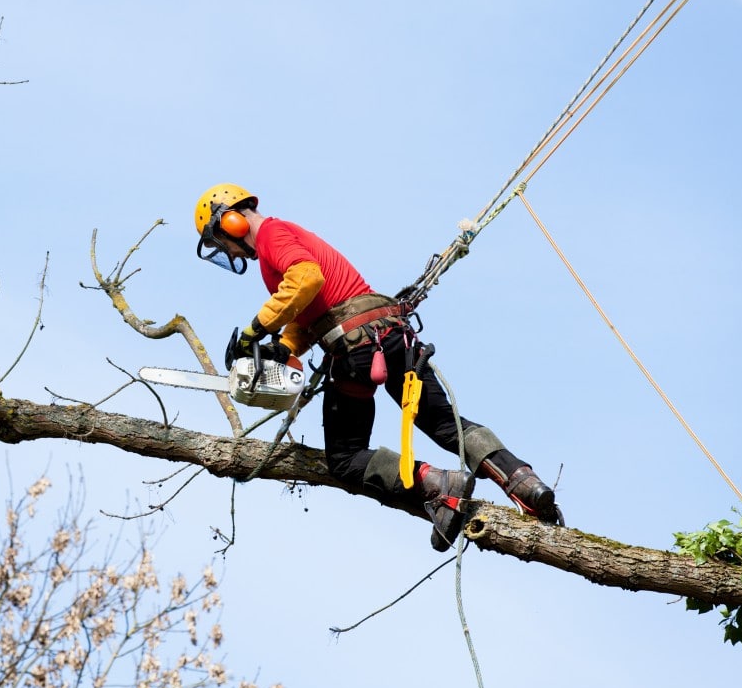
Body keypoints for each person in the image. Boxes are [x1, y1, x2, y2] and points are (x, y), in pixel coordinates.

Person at [194, 183, 562, 550]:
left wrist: (254, 331)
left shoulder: (272, 234)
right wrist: (284, 347)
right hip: (390, 337)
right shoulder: (284, 237)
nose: (225, 249)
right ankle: (524, 481)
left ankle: (436, 484)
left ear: (230, 221)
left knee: (345, 457)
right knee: (442, 422)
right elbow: (308, 311)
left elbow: (306, 279)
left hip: (357, 350)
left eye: (219, 241)